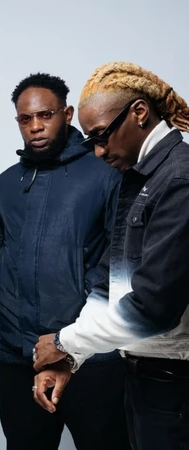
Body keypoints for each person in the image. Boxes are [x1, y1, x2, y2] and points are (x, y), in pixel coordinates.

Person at [32, 62, 189, 450]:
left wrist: (63, 342)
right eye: (92, 141)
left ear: (139, 112)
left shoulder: (180, 178)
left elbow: (152, 308)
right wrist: (71, 357)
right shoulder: (138, 178)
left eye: (102, 136)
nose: (99, 151)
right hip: (144, 378)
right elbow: (109, 284)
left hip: (176, 385)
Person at [0, 72, 130, 450]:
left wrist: (74, 331)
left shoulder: (106, 170)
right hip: (19, 356)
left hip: (92, 357)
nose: (35, 126)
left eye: (45, 115)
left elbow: (121, 255)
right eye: (25, 119)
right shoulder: (6, 182)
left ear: (67, 114)